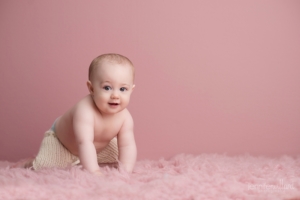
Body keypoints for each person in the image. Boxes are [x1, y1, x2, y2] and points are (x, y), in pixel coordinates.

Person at [16, 53, 137, 175]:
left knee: (120, 155)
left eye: (122, 89)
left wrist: (125, 171)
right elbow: (84, 142)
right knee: (44, 167)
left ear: (131, 90)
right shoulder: (85, 111)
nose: (115, 95)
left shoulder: (125, 117)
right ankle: (31, 163)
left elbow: (127, 145)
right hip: (62, 144)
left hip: (97, 149)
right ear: (91, 88)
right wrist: (94, 172)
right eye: (107, 87)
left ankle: (82, 161)